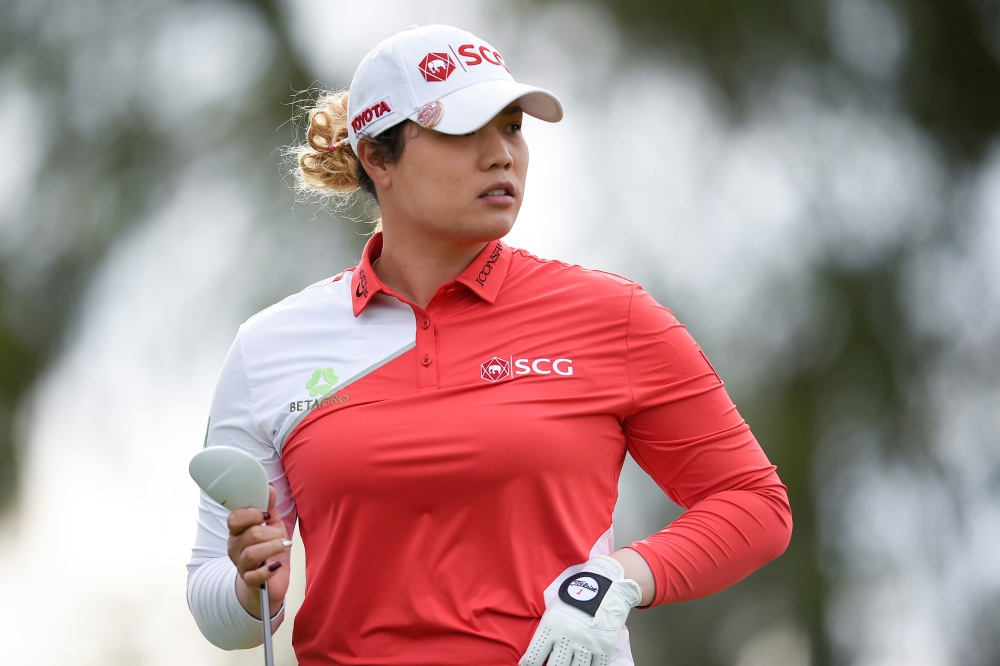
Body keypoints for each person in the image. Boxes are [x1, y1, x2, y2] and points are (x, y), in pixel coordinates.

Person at [186, 24, 792, 666]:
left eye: (511, 127)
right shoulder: (270, 347)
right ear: (377, 157)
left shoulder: (613, 315)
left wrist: (622, 578)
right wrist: (256, 591)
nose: (501, 154)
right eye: (462, 131)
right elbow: (215, 604)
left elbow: (755, 504)